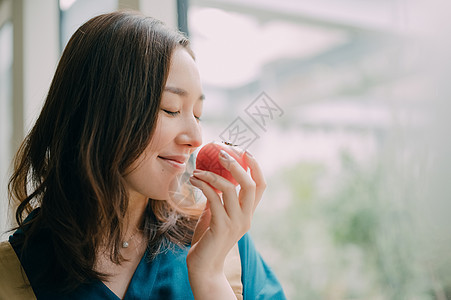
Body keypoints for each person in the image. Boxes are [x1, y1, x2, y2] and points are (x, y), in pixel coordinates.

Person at [0, 10, 286, 299]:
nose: (196, 139)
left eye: (197, 114)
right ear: (99, 112)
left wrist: (210, 277)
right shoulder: (12, 274)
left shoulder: (224, 245)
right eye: (171, 109)